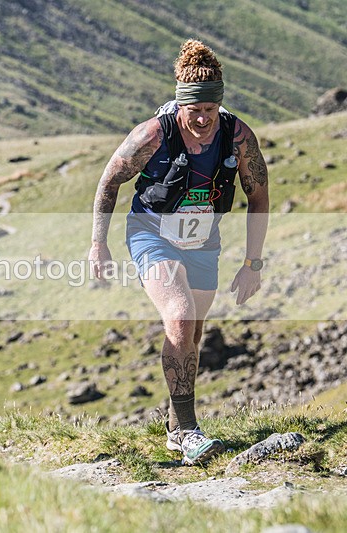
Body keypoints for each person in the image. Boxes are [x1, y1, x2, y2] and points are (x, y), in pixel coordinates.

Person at [88, 40, 269, 465]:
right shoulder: (152, 135)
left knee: (193, 334)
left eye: (211, 108)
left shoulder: (238, 136)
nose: (204, 118)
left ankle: (174, 425)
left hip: (204, 242)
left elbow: (258, 196)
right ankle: (189, 432)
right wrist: (99, 243)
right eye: (195, 110)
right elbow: (109, 182)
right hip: (152, 233)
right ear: (180, 104)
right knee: (180, 314)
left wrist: (252, 263)